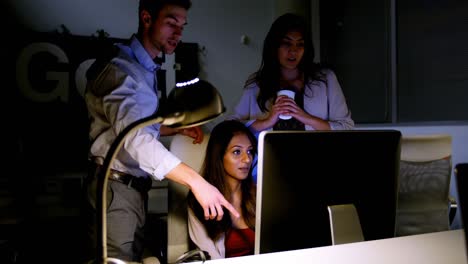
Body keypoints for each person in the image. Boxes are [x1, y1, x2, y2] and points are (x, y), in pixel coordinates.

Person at [82, 0, 239, 262]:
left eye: (182, 26)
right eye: (170, 23)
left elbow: (134, 125)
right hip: (115, 188)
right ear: (147, 19)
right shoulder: (121, 71)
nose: (178, 33)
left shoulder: (145, 69)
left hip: (131, 190)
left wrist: (176, 130)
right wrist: (197, 182)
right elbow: (134, 139)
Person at [228, 13, 354, 135]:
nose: (293, 50)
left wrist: (306, 118)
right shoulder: (258, 83)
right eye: (286, 43)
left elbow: (346, 127)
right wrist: (267, 122)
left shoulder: (325, 79)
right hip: (269, 155)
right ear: (274, 46)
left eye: (300, 44)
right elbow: (229, 128)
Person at [187, 120, 257, 259]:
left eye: (249, 151)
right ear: (219, 156)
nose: (247, 159)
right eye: (237, 152)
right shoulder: (199, 198)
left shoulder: (258, 194)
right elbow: (209, 256)